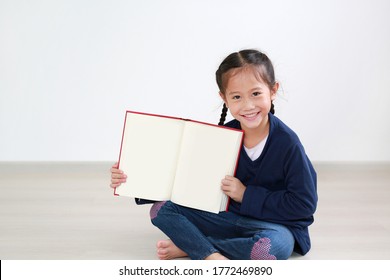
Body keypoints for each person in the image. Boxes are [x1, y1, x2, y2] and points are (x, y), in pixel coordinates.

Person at [110, 49, 317, 260]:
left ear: (273, 91)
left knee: (275, 248)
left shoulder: (288, 143)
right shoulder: (222, 137)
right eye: (236, 96)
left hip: (272, 225)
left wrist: (246, 195)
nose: (248, 105)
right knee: (161, 210)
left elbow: (304, 205)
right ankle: (212, 255)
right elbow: (186, 181)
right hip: (226, 218)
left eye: (256, 93)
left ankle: (196, 246)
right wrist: (131, 174)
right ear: (224, 98)